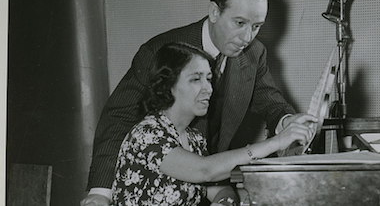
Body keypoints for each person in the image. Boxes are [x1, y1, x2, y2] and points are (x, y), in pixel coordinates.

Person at [81, 0, 317, 206]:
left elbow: (267, 98)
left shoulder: (254, 54)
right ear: (215, 12)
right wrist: (101, 193)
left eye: (256, 26)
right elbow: (119, 118)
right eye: (240, 23)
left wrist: (286, 121)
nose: (247, 37)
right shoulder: (160, 52)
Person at [108, 42, 314, 206]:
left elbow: (218, 188)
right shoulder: (147, 134)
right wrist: (276, 142)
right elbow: (205, 170)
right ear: (168, 86)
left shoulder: (194, 139)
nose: (208, 89)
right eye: (196, 79)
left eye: (208, 79)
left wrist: (225, 201)